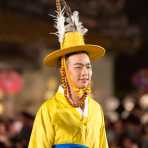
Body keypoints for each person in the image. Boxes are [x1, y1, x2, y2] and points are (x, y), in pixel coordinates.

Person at [28, 0, 108, 148]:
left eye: (88, 66)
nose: (85, 72)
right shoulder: (49, 110)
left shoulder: (96, 109)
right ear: (64, 69)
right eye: (78, 67)